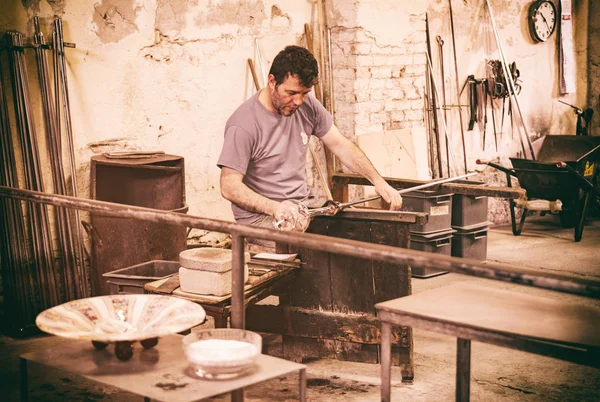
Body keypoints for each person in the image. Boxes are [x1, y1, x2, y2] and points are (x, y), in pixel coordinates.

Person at [217, 45, 402, 248]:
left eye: (305, 93)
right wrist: (275, 208)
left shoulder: (307, 106)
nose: (298, 101)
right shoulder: (244, 124)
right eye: (291, 93)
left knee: (359, 239)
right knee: (317, 254)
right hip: (262, 219)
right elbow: (229, 186)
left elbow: (340, 144)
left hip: (302, 208)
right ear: (272, 81)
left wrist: (377, 180)